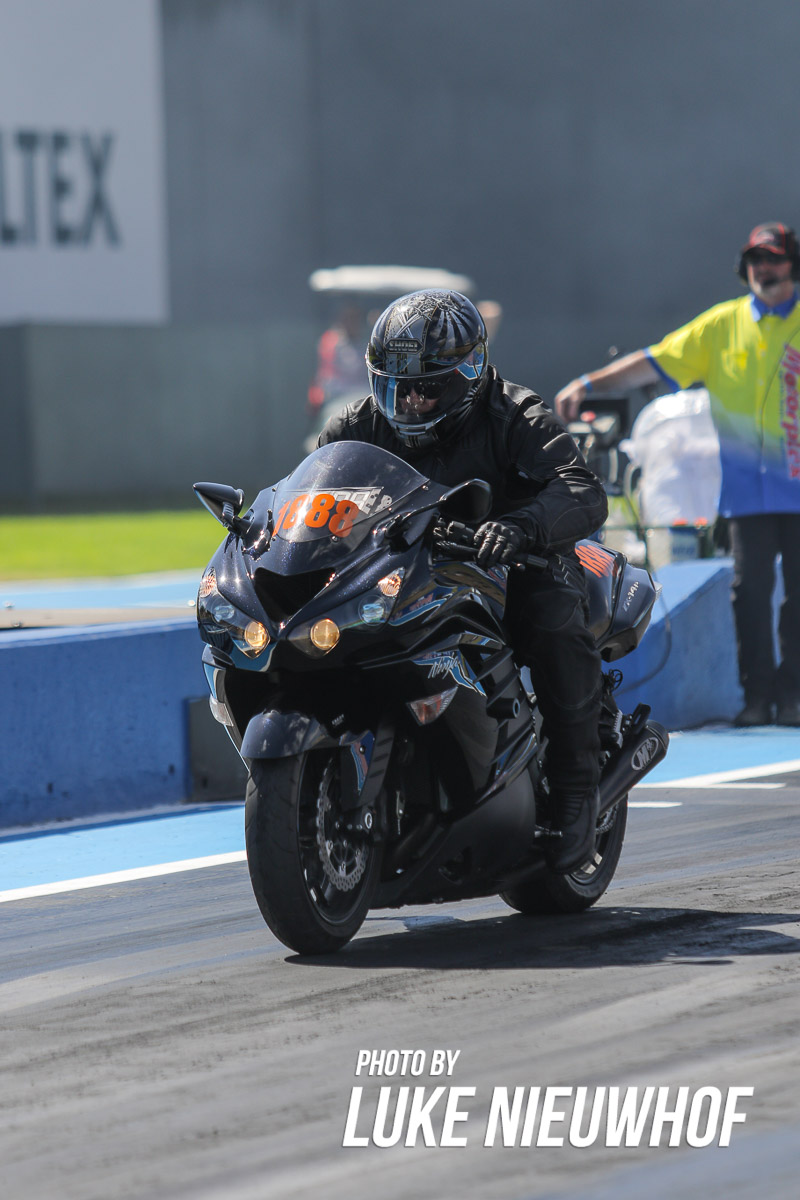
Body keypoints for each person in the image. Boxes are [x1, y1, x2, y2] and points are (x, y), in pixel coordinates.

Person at [318, 289, 609, 872]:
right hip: (404, 568)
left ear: (468, 374)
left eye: (427, 387)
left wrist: (521, 526)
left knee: (551, 620)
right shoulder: (355, 423)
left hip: (514, 561)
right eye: (396, 387)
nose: (411, 401)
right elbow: (315, 497)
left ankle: (576, 786)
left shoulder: (515, 413)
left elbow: (581, 488)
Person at [555, 222, 800, 728]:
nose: (764, 270)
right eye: (755, 261)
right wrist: (587, 382)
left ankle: (795, 695)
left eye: (773, 259)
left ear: (793, 264)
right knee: (749, 595)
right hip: (747, 495)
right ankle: (757, 697)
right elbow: (654, 361)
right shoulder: (722, 324)